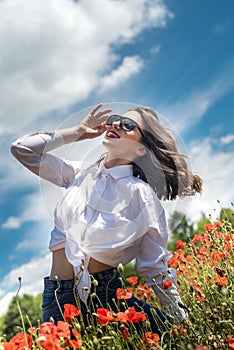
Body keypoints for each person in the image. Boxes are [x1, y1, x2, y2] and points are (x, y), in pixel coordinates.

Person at [11, 103, 202, 335]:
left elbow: (154, 265)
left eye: (129, 125)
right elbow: (22, 149)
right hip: (57, 300)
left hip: (108, 298)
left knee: (178, 337)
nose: (117, 124)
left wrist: (183, 319)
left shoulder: (140, 194)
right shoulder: (79, 174)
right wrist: (79, 131)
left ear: (140, 149)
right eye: (116, 119)